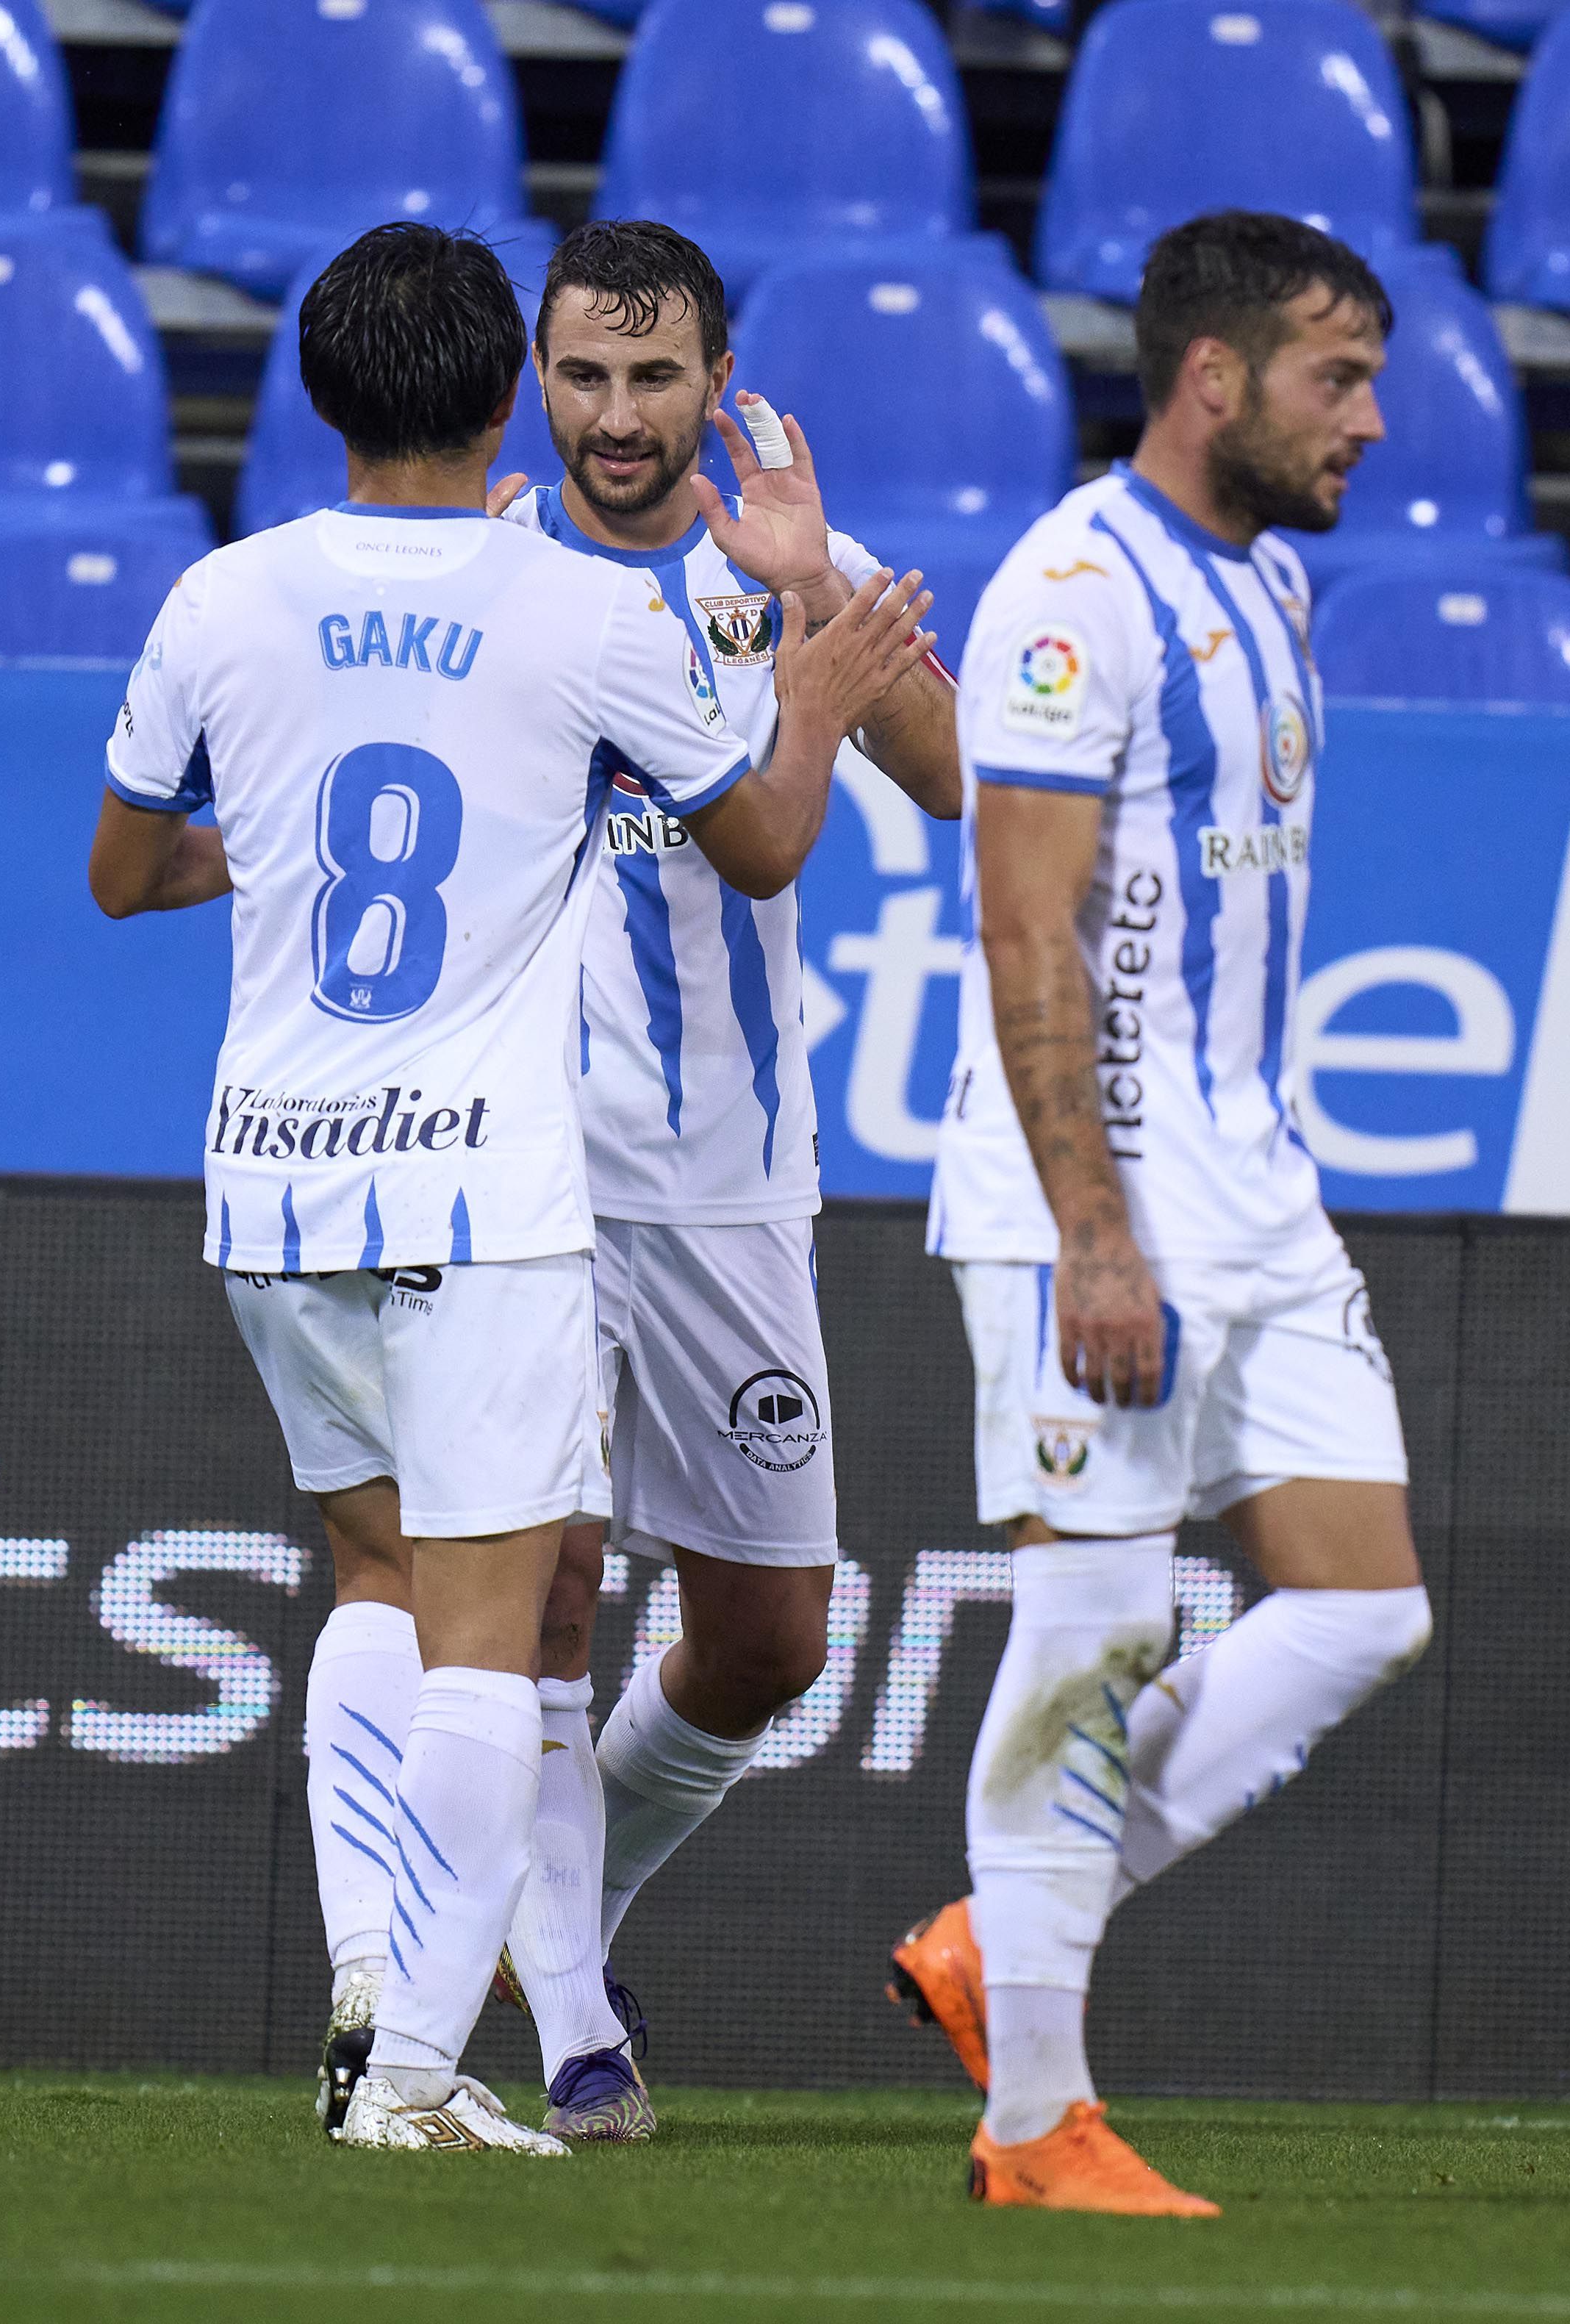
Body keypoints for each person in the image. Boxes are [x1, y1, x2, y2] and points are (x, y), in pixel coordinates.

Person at [87, 220, 929, 2156]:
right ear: (509, 400)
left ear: (316, 390)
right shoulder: (573, 615)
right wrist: (811, 689)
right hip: (490, 1183)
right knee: (492, 1623)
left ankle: (377, 1974)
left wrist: (277, 854)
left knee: (377, 1585)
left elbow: (123, 874)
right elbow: (774, 838)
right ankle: (422, 2069)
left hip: (280, 1175)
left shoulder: (223, 593)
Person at [884, 210, 1434, 2217]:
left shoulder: (1274, 582)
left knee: (1369, 1602)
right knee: (1096, 1629)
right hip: (1089, 1206)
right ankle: (1036, 2120)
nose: (1372, 419)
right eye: (1337, 379)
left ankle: (997, 1934)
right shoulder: (1076, 590)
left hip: (1259, 1193)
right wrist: (1092, 1234)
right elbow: (1023, 930)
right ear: (1214, 378)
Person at [461, 218, 961, 2139]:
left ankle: (568, 1914)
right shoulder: (492, 580)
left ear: (711, 384)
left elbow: (953, 775)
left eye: (651, 377)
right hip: (530, 1171)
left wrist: (816, 596)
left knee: (770, 1643)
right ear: (539, 376)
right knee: (558, 1587)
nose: (613, 413)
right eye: (582, 373)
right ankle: (581, 2029)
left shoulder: (781, 568)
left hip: (737, 1176)